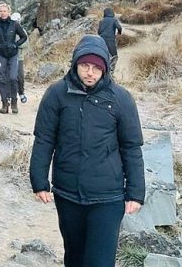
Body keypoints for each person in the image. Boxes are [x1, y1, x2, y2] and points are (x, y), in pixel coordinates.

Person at [29, 35, 145, 267]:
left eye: (96, 68)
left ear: (105, 69)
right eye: (84, 65)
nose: (90, 72)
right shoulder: (57, 93)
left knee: (100, 262)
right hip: (67, 194)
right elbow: (44, 139)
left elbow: (131, 147)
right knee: (74, 258)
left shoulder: (121, 98)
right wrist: (39, 180)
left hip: (108, 197)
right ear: (75, 64)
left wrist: (135, 191)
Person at [0, 2, 28, 114]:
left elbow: (24, 37)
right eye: (1, 11)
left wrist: (16, 44)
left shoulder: (15, 24)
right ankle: (4, 104)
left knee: (13, 78)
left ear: (8, 12)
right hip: (1, 55)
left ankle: (14, 103)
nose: (3, 13)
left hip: (13, 54)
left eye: (4, 11)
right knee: (2, 79)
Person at [97, 7, 124, 73]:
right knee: (114, 56)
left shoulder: (101, 21)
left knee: (103, 54)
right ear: (112, 13)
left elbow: (99, 31)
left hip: (102, 40)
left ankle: (103, 69)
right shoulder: (114, 20)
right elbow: (119, 27)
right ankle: (111, 71)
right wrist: (119, 33)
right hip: (111, 40)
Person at [12, 11, 28, 104]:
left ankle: (21, 93)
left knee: (20, 77)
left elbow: (26, 43)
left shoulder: (22, 31)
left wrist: (16, 45)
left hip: (19, 58)